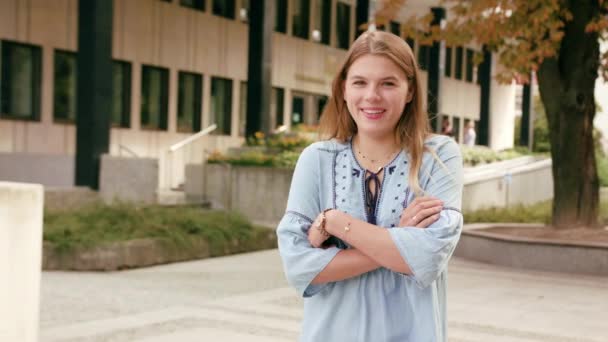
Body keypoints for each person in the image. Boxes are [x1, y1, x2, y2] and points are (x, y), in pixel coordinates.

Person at [276, 31, 463, 342]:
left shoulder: (438, 156)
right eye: (360, 82)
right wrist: (397, 242)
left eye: (388, 83)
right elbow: (298, 266)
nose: (372, 96)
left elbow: (429, 257)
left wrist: (337, 223)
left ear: (410, 91)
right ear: (344, 90)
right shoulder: (316, 159)